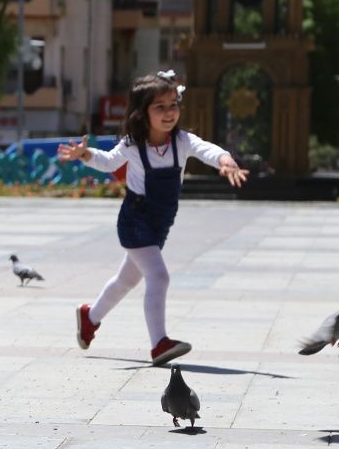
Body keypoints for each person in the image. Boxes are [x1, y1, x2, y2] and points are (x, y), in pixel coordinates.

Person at [59, 72, 248, 365]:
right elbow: (108, 162)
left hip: (160, 224)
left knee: (125, 281)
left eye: (173, 105)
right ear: (142, 112)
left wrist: (226, 161)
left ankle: (89, 317)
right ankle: (159, 344)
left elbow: (208, 150)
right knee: (158, 276)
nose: (169, 112)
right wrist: (85, 154)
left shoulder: (182, 141)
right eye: (160, 107)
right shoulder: (133, 144)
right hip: (135, 220)